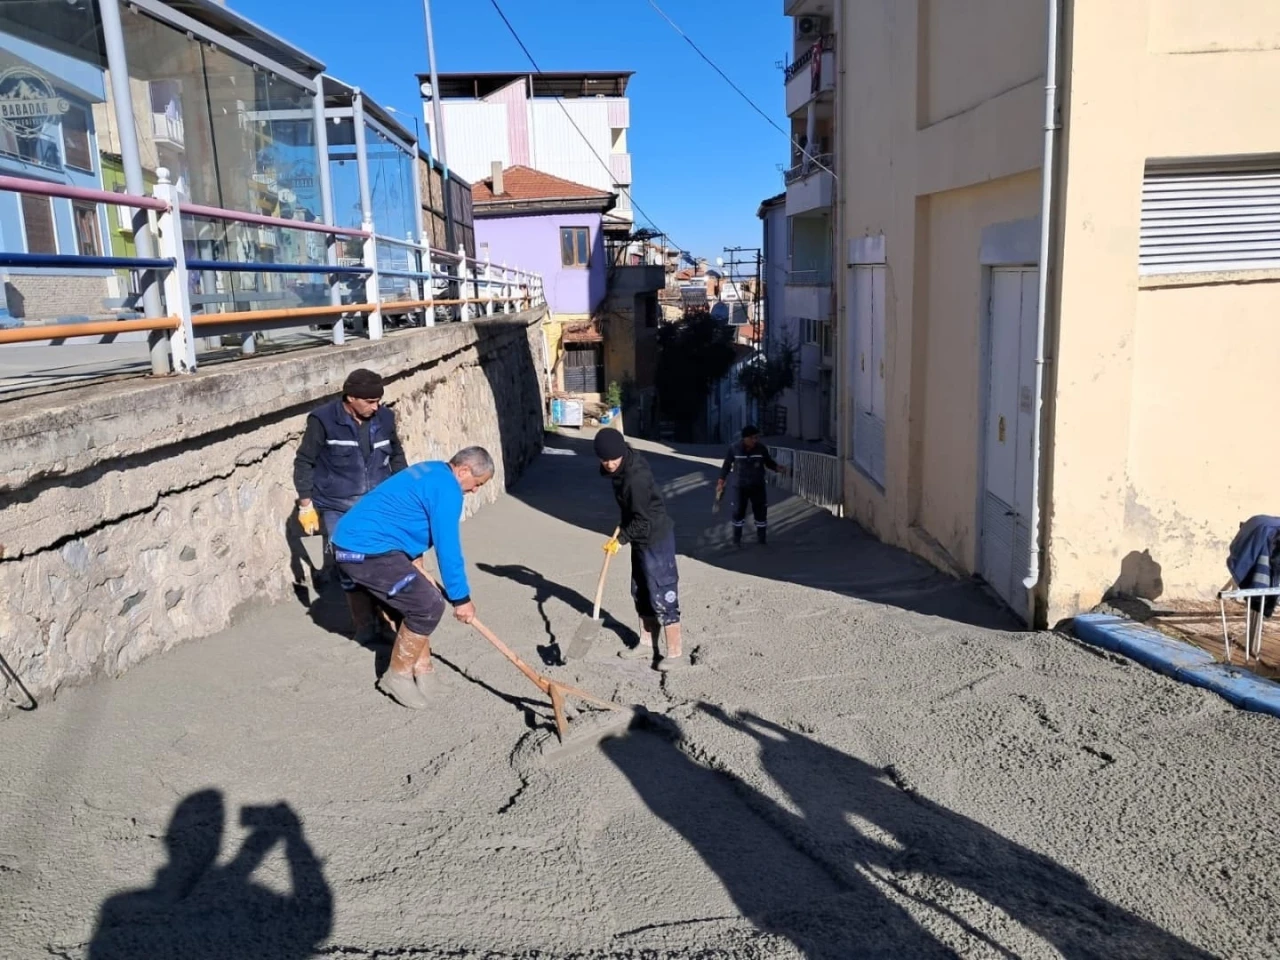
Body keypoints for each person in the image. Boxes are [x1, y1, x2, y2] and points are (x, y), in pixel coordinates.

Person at [331, 447, 494, 709]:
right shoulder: (449, 489)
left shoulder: (433, 470)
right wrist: (461, 598)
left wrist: (415, 557)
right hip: (362, 549)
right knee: (427, 605)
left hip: (372, 543)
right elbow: (448, 546)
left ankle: (424, 670)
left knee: (417, 597)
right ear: (464, 470)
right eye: (478, 483)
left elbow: (405, 512)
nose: (475, 490)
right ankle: (398, 675)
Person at [293, 369, 406, 644]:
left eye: (378, 400)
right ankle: (364, 624)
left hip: (379, 505)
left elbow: (397, 456)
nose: (376, 406)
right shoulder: (323, 421)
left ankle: (388, 622)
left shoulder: (385, 418)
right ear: (351, 397)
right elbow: (304, 461)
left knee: (383, 564)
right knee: (350, 565)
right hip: (337, 506)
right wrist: (305, 504)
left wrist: (404, 493)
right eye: (369, 401)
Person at [593, 429, 685, 671]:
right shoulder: (620, 470)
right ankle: (646, 643)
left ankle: (675, 652)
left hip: (656, 538)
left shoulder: (636, 477)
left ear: (623, 453)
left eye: (614, 459)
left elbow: (643, 520)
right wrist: (623, 529)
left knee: (663, 591)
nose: (610, 464)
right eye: (605, 459)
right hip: (639, 536)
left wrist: (620, 539)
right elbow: (632, 511)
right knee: (640, 590)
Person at [717, 425, 786, 547]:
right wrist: (721, 480)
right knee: (738, 512)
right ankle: (736, 539)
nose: (755, 440)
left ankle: (761, 539)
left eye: (757, 438)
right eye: (753, 438)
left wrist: (776, 468)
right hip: (740, 486)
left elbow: (768, 462)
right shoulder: (734, 448)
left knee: (760, 512)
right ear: (745, 438)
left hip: (757, 485)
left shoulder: (761, 449)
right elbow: (726, 465)